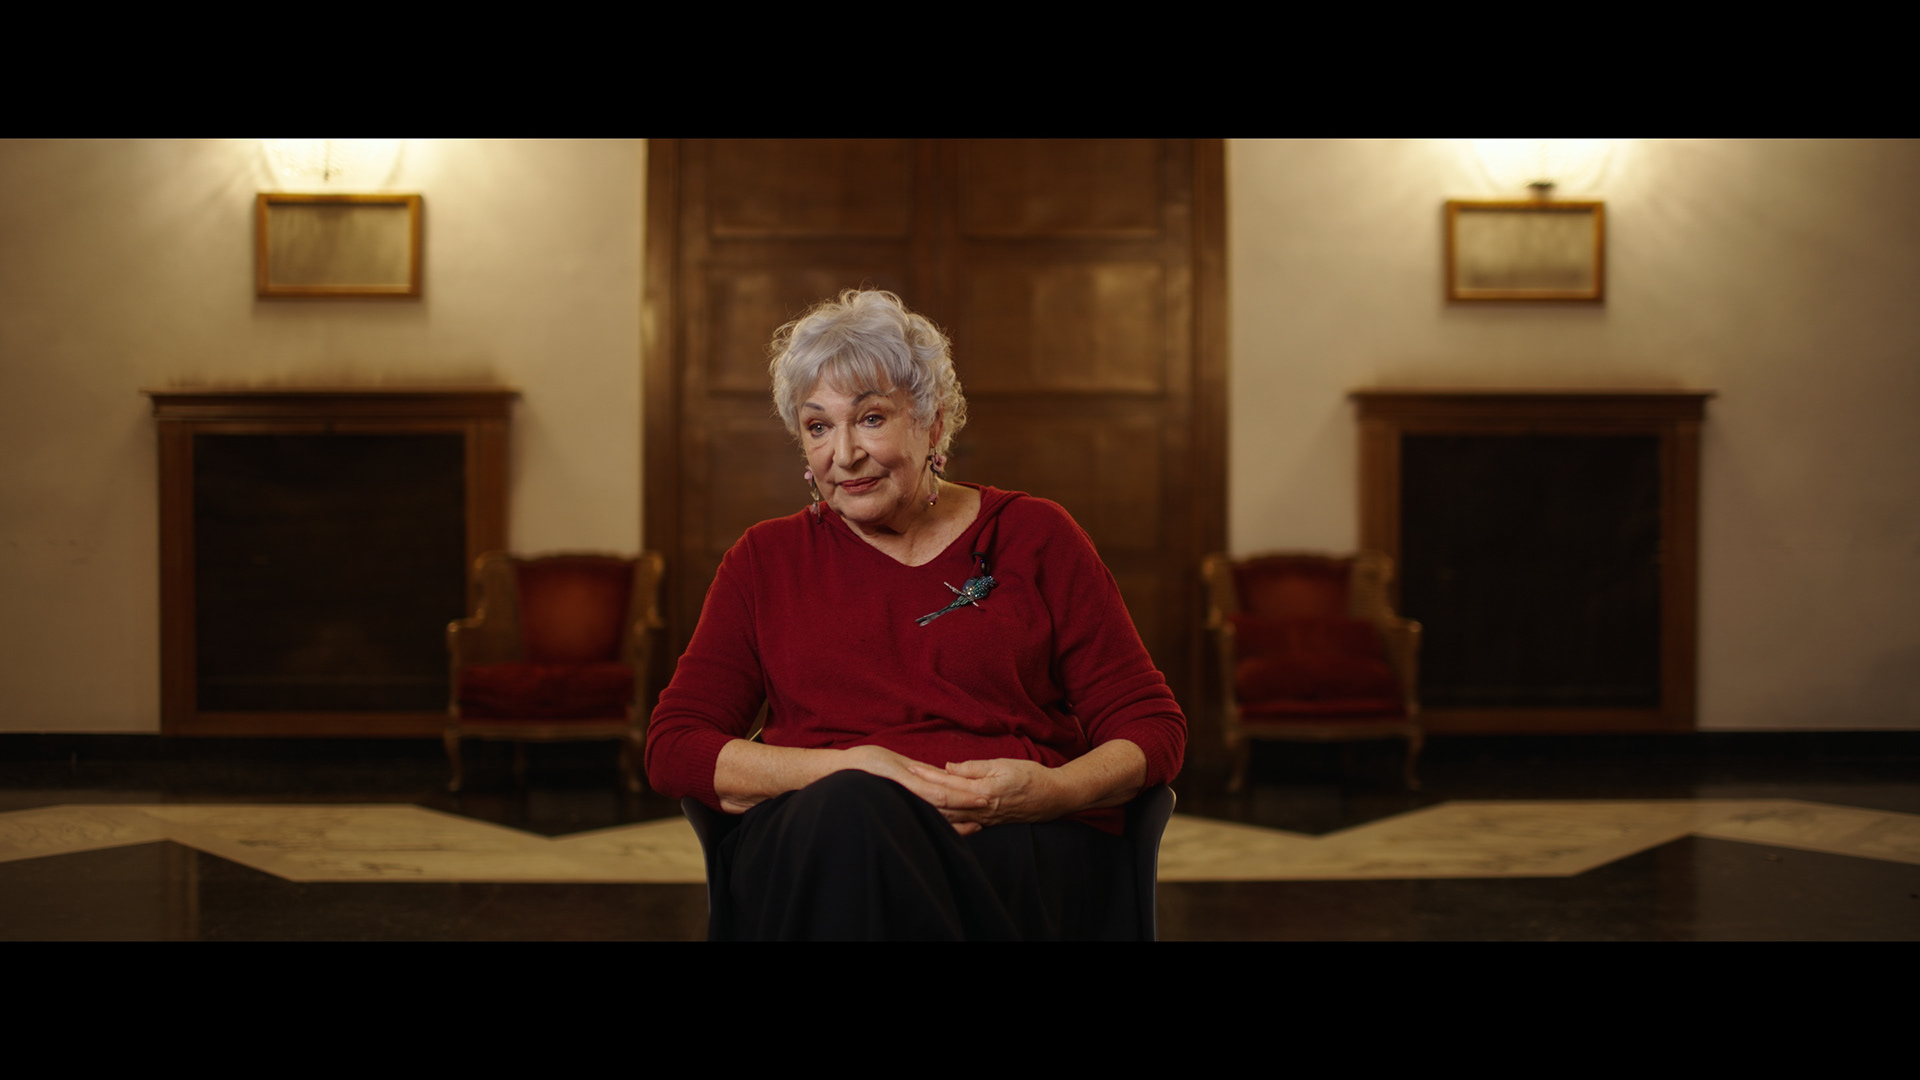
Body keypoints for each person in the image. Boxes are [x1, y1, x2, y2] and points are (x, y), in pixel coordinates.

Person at [644, 288, 1185, 940]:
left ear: (933, 423)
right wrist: (847, 769)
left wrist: (1056, 792)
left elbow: (1151, 727)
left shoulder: (1037, 535)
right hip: (820, 843)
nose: (844, 454)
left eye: (871, 418)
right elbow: (675, 746)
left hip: (1011, 842)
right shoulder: (764, 559)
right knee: (849, 815)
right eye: (818, 427)